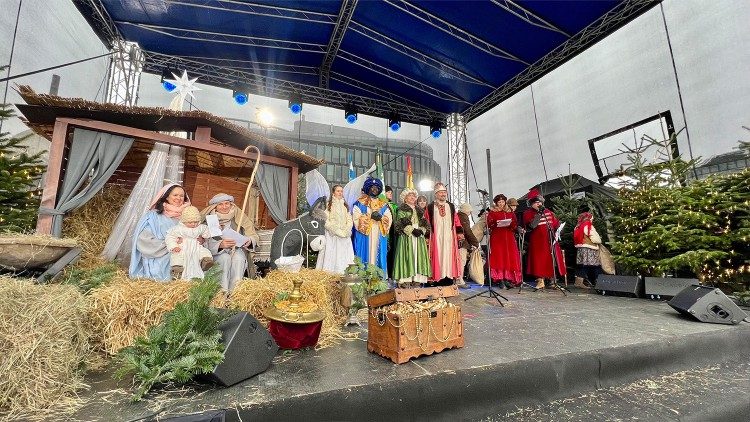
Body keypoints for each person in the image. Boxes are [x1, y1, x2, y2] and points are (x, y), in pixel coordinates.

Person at [130, 183, 191, 281]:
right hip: (159, 257)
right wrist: (170, 245)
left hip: (184, 255)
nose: (179, 198)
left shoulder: (188, 218)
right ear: (166, 197)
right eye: (175, 195)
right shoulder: (152, 216)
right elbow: (144, 240)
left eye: (181, 196)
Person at [201, 193, 260, 293]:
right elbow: (202, 242)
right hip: (215, 253)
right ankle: (221, 294)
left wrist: (249, 241)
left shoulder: (238, 216)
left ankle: (234, 294)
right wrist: (220, 245)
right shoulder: (208, 220)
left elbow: (252, 234)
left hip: (236, 249)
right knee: (225, 258)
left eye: (227, 203)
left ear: (231, 204)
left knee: (239, 258)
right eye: (220, 204)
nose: (224, 207)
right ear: (215, 206)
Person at [522, 188, 566, 289]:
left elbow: (555, 224)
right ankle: (540, 280)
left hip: (549, 241)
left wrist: (560, 228)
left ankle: (551, 280)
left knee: (550, 260)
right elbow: (531, 226)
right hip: (537, 242)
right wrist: (539, 214)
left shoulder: (549, 212)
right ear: (532, 204)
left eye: (540, 202)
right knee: (539, 261)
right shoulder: (527, 213)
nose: (538, 204)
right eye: (536, 202)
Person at [424, 182, 464, 287]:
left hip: (449, 237)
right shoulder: (430, 207)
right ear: (436, 194)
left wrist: (459, 232)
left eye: (444, 192)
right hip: (436, 237)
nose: (443, 194)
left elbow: (456, 220)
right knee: (438, 256)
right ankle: (438, 278)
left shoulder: (450, 206)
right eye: (441, 192)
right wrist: (427, 236)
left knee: (449, 256)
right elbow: (426, 222)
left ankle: (448, 277)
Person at [352, 177, 392, 276]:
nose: (375, 190)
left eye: (377, 188)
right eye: (372, 188)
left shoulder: (383, 205)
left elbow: (389, 218)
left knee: (378, 255)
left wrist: (381, 218)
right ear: (368, 188)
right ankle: (363, 278)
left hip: (379, 232)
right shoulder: (359, 203)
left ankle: (378, 278)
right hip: (365, 235)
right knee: (365, 256)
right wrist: (370, 216)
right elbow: (356, 218)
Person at [392, 188, 431, 287]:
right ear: (405, 198)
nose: (413, 197)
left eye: (414, 196)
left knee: (418, 256)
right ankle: (406, 279)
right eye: (410, 195)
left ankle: (417, 279)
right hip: (407, 236)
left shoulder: (419, 210)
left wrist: (422, 230)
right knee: (407, 255)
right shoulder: (401, 209)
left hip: (419, 236)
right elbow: (400, 222)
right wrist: (412, 230)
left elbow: (425, 222)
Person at [165, 206, 214, 280]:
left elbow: (208, 233)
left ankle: (205, 262)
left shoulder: (200, 227)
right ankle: (177, 270)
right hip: (183, 248)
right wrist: (174, 246)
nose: (193, 224)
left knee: (204, 252)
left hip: (195, 247)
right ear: (184, 221)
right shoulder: (178, 229)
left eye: (195, 222)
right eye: (190, 222)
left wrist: (216, 229)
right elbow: (170, 237)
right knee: (178, 257)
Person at [316, 185, 355, 274]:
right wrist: (335, 230)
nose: (340, 193)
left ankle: (343, 273)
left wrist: (347, 230)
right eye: (338, 191)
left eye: (341, 191)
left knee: (343, 255)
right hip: (332, 236)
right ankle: (330, 274)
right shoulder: (328, 205)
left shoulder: (345, 205)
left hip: (344, 236)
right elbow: (325, 220)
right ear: (333, 193)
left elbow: (349, 219)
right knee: (332, 255)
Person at [486, 194, 521, 288]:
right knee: (499, 258)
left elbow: (514, 224)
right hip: (497, 238)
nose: (501, 204)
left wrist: (512, 224)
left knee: (509, 258)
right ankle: (500, 279)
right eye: (499, 202)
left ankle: (507, 279)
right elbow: (489, 224)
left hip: (509, 238)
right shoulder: (492, 212)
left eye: (502, 202)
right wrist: (494, 223)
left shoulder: (510, 212)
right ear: (496, 203)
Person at [573, 212, 602, 289]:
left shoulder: (577, 226)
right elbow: (595, 239)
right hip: (589, 248)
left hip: (581, 248)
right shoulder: (588, 226)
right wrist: (599, 240)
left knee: (582, 265)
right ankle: (599, 282)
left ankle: (578, 282)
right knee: (595, 266)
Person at [457, 203, 480, 283]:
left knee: (459, 261)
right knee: (461, 261)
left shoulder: (457, 216)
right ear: (466, 210)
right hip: (462, 243)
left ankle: (458, 279)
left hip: (458, 242)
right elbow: (467, 231)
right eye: (469, 211)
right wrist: (475, 243)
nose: (470, 213)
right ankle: (460, 280)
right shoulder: (463, 217)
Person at [384, 185, 399, 280]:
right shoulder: (381, 204)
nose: (390, 194)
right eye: (388, 192)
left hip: (393, 233)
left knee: (392, 254)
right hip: (385, 233)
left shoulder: (394, 206)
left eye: (391, 193)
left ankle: (391, 276)